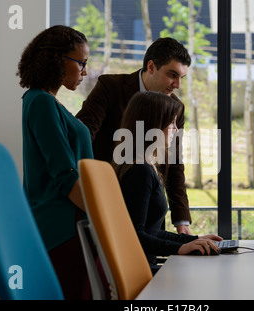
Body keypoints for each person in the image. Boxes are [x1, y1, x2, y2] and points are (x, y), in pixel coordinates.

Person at [76, 37, 193, 235]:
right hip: (105, 201)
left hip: (149, 212)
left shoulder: (176, 107)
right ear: (151, 66)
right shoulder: (110, 88)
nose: (177, 85)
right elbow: (84, 135)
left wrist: (182, 223)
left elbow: (174, 164)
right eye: (172, 75)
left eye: (182, 77)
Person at [17, 25, 93, 299]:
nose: (84, 71)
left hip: (70, 224)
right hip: (63, 228)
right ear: (59, 60)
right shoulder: (40, 102)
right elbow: (66, 174)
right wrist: (102, 218)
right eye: (81, 63)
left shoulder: (47, 102)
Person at [113, 91, 222, 273]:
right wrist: (179, 248)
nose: (175, 129)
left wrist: (192, 240)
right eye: (171, 123)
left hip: (144, 267)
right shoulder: (140, 171)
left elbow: (150, 231)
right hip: (139, 272)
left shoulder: (146, 166)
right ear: (153, 126)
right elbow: (134, 235)